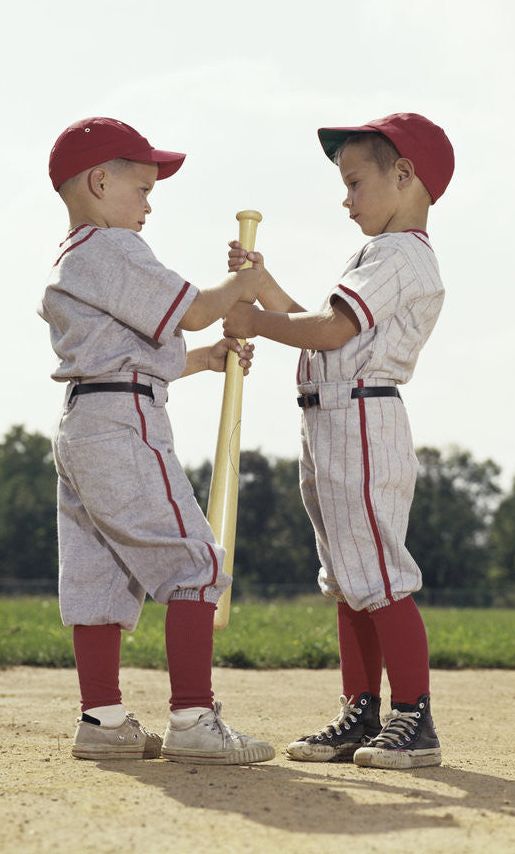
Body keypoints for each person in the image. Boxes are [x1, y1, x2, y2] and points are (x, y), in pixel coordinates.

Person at [39, 116, 274, 766]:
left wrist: (202, 359)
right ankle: (194, 719)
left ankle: (103, 719)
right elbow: (194, 307)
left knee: (97, 576)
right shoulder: (112, 248)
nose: (148, 204)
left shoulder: (74, 257)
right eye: (141, 188)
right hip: (124, 423)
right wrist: (245, 287)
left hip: (86, 419)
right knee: (195, 561)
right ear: (99, 180)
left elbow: (131, 349)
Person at [224, 112, 454, 769]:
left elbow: (326, 331)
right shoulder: (382, 254)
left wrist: (256, 320)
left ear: (404, 175)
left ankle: (414, 717)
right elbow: (330, 327)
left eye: (355, 181)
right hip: (332, 419)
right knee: (351, 579)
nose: (345, 197)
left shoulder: (400, 254)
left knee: (378, 573)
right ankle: (362, 712)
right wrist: (262, 287)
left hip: (361, 420)